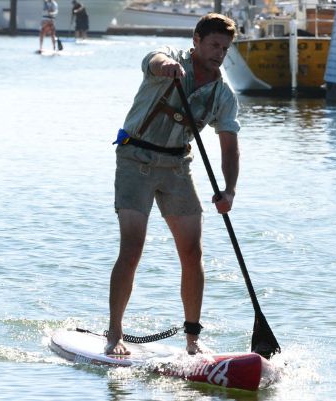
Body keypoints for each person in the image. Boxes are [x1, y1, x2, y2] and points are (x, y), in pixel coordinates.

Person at [106, 13, 240, 356]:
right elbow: (152, 60)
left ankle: (193, 339)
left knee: (192, 252)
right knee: (132, 248)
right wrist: (166, 66)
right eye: (213, 45)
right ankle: (115, 334)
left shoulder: (223, 93)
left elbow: (229, 144)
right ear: (196, 39)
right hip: (135, 159)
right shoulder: (170, 58)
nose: (219, 53)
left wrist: (229, 190)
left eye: (225, 48)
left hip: (178, 166)